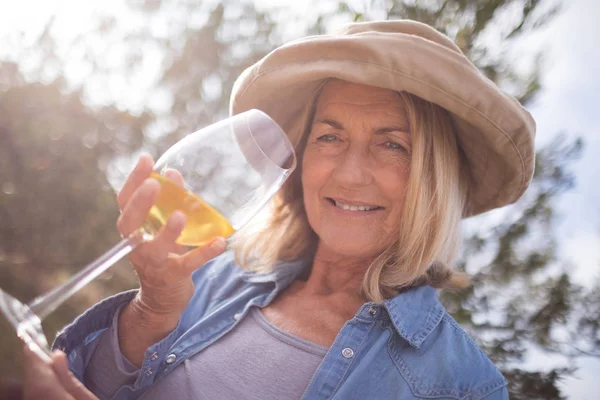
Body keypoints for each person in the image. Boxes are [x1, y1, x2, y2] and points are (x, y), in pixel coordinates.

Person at [23, 19, 535, 400]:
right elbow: (94, 384)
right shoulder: (215, 277)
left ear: (434, 181)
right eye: (329, 137)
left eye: (392, 145)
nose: (349, 174)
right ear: (301, 161)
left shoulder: (464, 385)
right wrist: (152, 310)